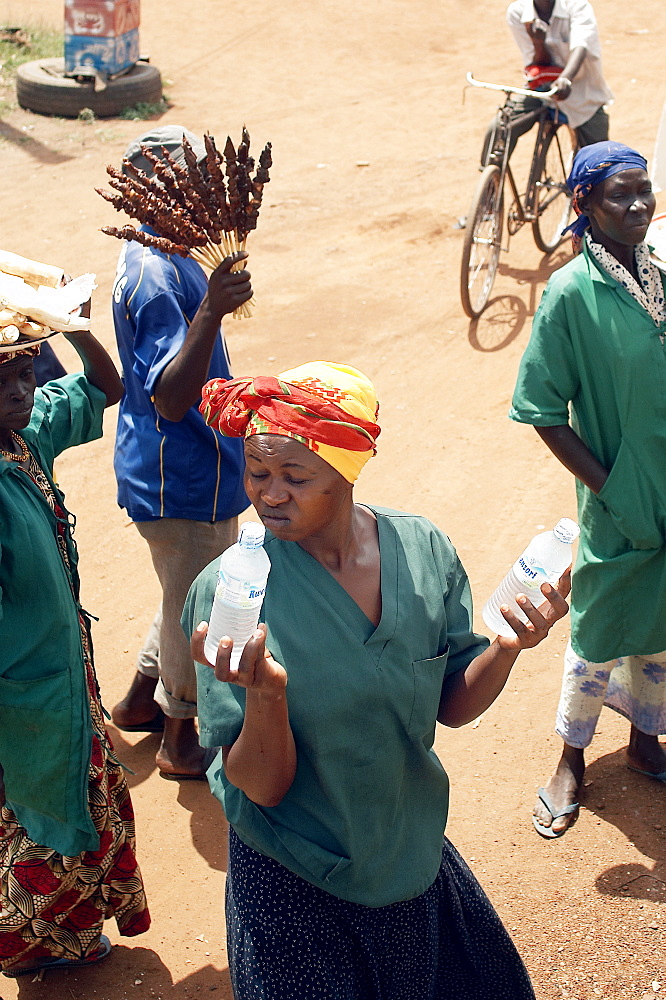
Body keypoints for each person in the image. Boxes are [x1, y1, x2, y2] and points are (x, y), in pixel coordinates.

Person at [181, 361, 570, 999]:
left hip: (400, 847)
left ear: (348, 471)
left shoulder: (422, 553)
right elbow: (262, 787)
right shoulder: (233, 595)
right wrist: (266, 696)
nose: (269, 494)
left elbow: (451, 702)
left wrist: (507, 648)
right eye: (257, 473)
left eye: (295, 477)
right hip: (294, 876)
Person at [510, 141, 666, 838]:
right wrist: (613, 490)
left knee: (662, 616)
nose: (637, 206)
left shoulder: (660, 274)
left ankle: (644, 737)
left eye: (645, 191)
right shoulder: (571, 294)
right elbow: (542, 409)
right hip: (619, 497)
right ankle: (571, 757)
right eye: (618, 195)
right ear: (583, 206)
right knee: (599, 626)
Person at [0, 328, 150, 977]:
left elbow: (103, 387)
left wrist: (75, 325)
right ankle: (32, 942)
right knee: (41, 808)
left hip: (63, 676)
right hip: (22, 692)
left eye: (25, 378)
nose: (20, 395)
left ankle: (68, 935)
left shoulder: (25, 440)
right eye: (2, 387)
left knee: (73, 794)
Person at [110, 125, 253, 780]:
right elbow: (170, 397)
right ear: (149, 191)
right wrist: (212, 313)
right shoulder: (156, 277)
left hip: (187, 466)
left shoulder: (164, 251)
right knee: (198, 600)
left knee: (180, 593)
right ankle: (179, 734)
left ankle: (142, 699)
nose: (199, 193)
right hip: (180, 474)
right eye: (186, 181)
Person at [481, 0, 612, 165]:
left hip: (581, 90)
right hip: (541, 88)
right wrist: (538, 43)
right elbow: (535, 62)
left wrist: (566, 78)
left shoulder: (577, 6)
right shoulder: (518, 13)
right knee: (499, 129)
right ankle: (492, 184)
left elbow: (580, 47)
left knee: (599, 160)